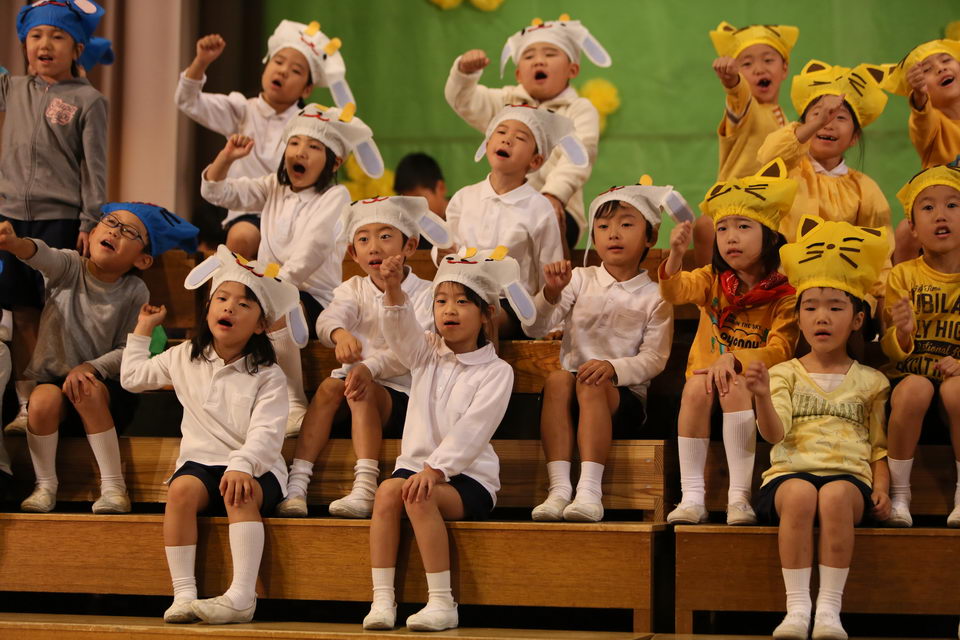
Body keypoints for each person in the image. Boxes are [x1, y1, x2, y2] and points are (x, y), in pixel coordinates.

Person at [122, 245, 301, 624]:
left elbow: (267, 434)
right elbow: (133, 378)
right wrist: (143, 329)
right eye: (222, 298)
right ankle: (184, 594)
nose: (229, 308)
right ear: (208, 308)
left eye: (243, 304)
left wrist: (242, 465)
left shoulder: (268, 374)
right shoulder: (184, 355)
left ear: (260, 325)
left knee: (240, 492)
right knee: (180, 490)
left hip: (257, 467)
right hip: (202, 464)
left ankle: (242, 597)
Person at [363, 248, 532, 632]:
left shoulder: (496, 371)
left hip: (468, 479)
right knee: (386, 492)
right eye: (441, 301)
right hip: (416, 471)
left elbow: (473, 430)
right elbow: (399, 332)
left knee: (417, 495)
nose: (448, 310)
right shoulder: (425, 351)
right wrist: (393, 289)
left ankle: (442, 602)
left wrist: (435, 470)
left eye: (461, 302)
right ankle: (382, 600)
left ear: (487, 313)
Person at [0, 203, 197, 514]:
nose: (115, 232)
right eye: (111, 223)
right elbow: (41, 255)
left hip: (105, 390)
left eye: (129, 232)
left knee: (86, 388)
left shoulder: (135, 291)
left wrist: (91, 367)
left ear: (143, 259)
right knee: (41, 401)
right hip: (55, 384)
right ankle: (45, 485)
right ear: (91, 235)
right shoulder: (69, 266)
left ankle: (114, 486)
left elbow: (127, 349)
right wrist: (14, 243)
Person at [748, 216, 891, 640]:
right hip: (788, 476)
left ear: (858, 319)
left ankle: (829, 610)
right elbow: (774, 434)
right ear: (799, 317)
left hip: (849, 480)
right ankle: (797, 609)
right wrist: (760, 395)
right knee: (800, 493)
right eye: (810, 308)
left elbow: (878, 446)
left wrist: (883, 488)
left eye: (835, 308)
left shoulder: (873, 382)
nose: (821, 317)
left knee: (834, 495)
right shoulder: (784, 374)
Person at [201, 103, 384, 434]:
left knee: (277, 307)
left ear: (334, 162)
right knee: (226, 299)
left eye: (314, 147)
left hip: (313, 300)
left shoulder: (336, 196)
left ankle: (293, 402)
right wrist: (226, 158)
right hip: (265, 292)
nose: (300, 152)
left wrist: (267, 292)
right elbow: (216, 192)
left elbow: (309, 253)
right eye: (295, 143)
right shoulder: (273, 186)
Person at [276, 195, 450, 517]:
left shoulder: (428, 292)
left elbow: (415, 348)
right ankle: (297, 485)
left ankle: (365, 486)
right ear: (352, 253)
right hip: (355, 384)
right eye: (364, 239)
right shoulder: (352, 288)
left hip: (403, 393)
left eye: (385, 236)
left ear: (410, 246)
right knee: (329, 387)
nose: (374, 247)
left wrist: (369, 366)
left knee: (361, 389)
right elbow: (328, 319)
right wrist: (339, 335)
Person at [524, 180, 675, 521]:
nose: (614, 234)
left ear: (650, 237)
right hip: (571, 394)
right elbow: (534, 328)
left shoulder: (656, 295)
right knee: (558, 379)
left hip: (622, 398)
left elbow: (654, 358)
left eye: (626, 224)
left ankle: (590, 492)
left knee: (591, 383)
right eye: (603, 227)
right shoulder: (579, 278)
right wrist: (551, 293)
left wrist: (613, 367)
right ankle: (559, 490)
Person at [661, 158, 799, 526]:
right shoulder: (711, 279)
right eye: (722, 229)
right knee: (695, 387)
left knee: (733, 385)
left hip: (756, 384)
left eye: (743, 226)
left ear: (771, 236)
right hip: (705, 378)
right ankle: (692, 497)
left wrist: (734, 358)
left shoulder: (786, 294)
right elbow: (675, 291)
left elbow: (781, 349)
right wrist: (676, 255)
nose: (730, 237)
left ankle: (739, 497)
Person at [1, 0, 112, 435]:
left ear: (77, 47)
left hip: (61, 220)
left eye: (57, 36)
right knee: (22, 312)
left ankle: (57, 403)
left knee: (54, 315)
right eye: (36, 36)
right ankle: (25, 403)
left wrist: (89, 220)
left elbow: (94, 166)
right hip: (10, 219)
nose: (44, 44)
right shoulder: (13, 88)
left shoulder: (89, 100)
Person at [176, 19, 354, 259]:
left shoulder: (310, 124)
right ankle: (231, 283)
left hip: (297, 211)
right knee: (241, 240)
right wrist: (201, 61)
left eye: (296, 70)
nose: (283, 71)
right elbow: (187, 100)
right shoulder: (241, 110)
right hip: (249, 209)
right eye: (278, 62)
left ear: (306, 89)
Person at [444, 14, 611, 249]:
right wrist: (464, 73)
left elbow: (578, 159)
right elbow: (464, 101)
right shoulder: (507, 101)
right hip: (501, 203)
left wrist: (553, 195)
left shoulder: (579, 109)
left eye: (550, 54)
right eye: (529, 56)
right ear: (518, 74)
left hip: (558, 207)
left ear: (572, 69)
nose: (538, 61)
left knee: (524, 226)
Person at [439, 105, 586, 336]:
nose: (507, 140)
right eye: (501, 132)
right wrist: (441, 253)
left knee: (480, 318)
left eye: (520, 138)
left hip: (512, 305)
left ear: (536, 161)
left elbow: (550, 273)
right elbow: (447, 251)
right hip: (461, 294)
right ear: (488, 143)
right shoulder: (463, 198)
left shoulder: (539, 208)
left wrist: (553, 324)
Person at [881, 162, 960, 528]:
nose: (940, 215)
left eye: (952, 205)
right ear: (912, 228)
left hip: (955, 380)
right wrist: (903, 332)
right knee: (915, 389)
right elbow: (888, 350)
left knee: (957, 390)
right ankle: (900, 495)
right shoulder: (903, 275)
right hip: (909, 376)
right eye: (927, 207)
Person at [693, 21, 798, 265]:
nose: (759, 69)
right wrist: (731, 80)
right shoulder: (746, 110)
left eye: (768, 60)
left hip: (770, 214)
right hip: (736, 209)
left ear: (785, 68)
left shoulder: (783, 118)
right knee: (706, 231)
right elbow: (738, 96)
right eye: (747, 64)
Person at [883, 38, 960, 262]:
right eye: (926, 70)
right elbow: (922, 118)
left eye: (946, 60)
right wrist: (919, 96)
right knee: (905, 232)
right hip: (948, 210)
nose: (940, 68)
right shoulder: (932, 124)